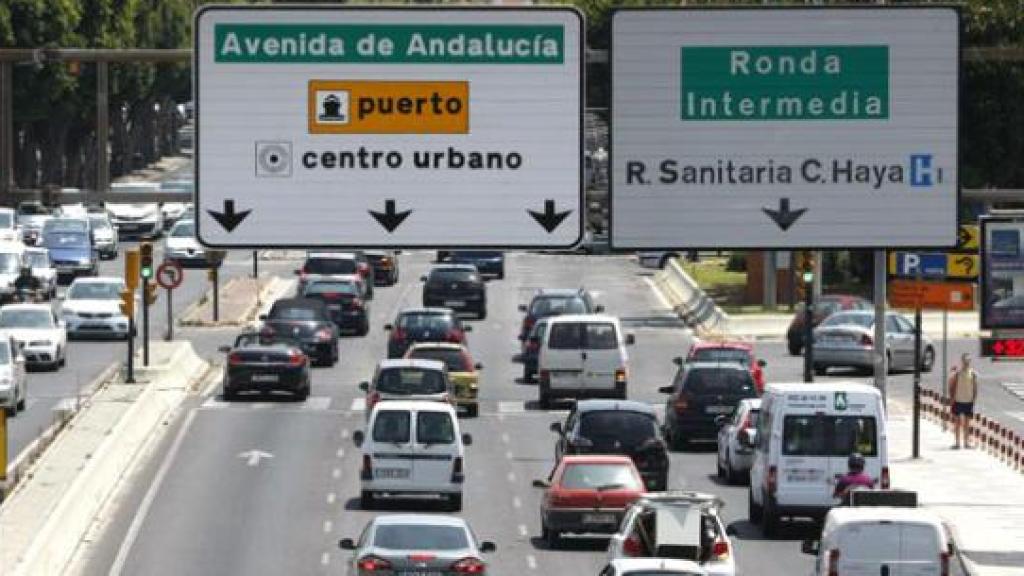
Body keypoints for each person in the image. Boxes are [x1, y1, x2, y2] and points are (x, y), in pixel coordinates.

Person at [949, 353, 979, 449]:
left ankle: (966, 443)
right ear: (962, 361)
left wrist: (974, 400)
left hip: (968, 402)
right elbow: (951, 386)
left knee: (967, 424)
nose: (966, 363)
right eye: (965, 361)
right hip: (958, 401)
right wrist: (952, 399)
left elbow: (975, 388)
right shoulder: (957, 373)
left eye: (968, 361)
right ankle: (957, 443)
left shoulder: (973, 374)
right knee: (957, 423)